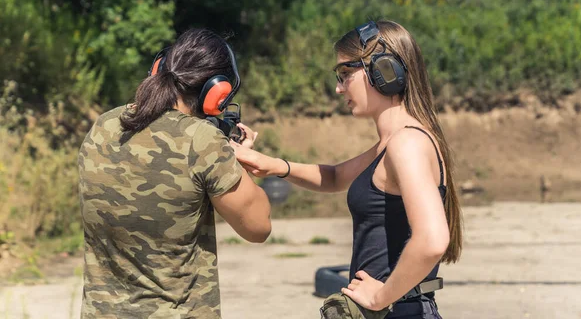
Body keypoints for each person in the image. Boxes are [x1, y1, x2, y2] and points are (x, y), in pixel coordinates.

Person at [232, 20, 462, 318]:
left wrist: (381, 296)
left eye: (345, 74)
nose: (339, 88)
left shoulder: (407, 144)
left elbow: (432, 241)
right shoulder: (393, 143)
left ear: (384, 72)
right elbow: (335, 176)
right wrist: (273, 165)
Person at [78, 28, 271, 319]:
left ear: (158, 68)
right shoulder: (201, 141)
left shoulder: (104, 126)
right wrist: (238, 162)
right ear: (217, 92)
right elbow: (258, 227)